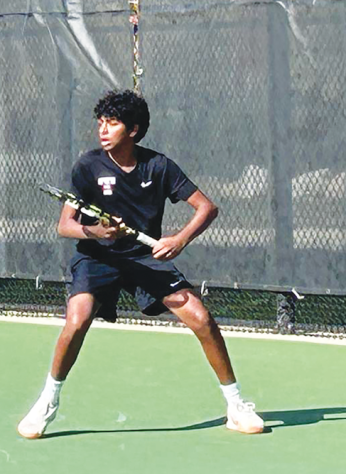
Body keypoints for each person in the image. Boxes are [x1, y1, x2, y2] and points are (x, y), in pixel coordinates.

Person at [18, 90, 264, 439]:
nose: (103, 130)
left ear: (133, 130)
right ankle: (47, 402)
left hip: (145, 258)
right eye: (100, 123)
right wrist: (97, 231)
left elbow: (207, 208)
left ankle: (236, 406)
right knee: (77, 320)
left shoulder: (158, 166)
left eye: (112, 123)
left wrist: (178, 240)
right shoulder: (88, 166)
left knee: (201, 318)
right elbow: (65, 225)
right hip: (97, 257)